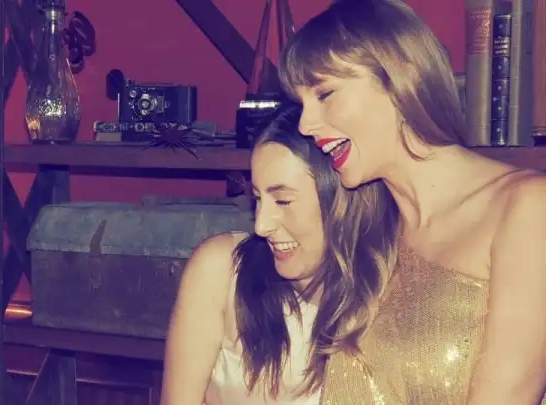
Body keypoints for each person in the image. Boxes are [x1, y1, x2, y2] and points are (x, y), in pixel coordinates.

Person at [278, 0, 546, 404]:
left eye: (325, 93)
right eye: (302, 104)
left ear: (402, 78)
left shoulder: (526, 209)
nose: (305, 124)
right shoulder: (365, 231)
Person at [159, 109, 397, 405]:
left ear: (341, 203)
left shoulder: (388, 298)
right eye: (258, 199)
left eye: (283, 201)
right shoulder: (221, 271)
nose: (261, 225)